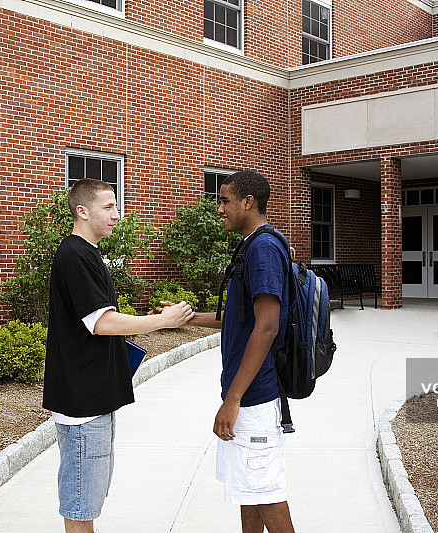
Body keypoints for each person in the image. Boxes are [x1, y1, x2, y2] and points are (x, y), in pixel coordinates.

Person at [42, 178, 195, 533]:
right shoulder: (75, 255)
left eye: (116, 206)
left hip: (94, 398)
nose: (116, 215)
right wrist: (161, 321)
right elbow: (102, 322)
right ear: (82, 211)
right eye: (108, 207)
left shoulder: (88, 252)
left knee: (88, 498)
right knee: (81, 502)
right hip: (83, 405)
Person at [179, 170, 296, 533]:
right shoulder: (255, 243)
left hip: (255, 396)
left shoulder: (262, 249)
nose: (220, 209)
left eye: (225, 200)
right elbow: (244, 318)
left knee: (267, 491)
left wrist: (233, 399)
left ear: (249, 202)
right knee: (250, 489)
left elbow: (267, 325)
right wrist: (188, 317)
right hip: (249, 394)